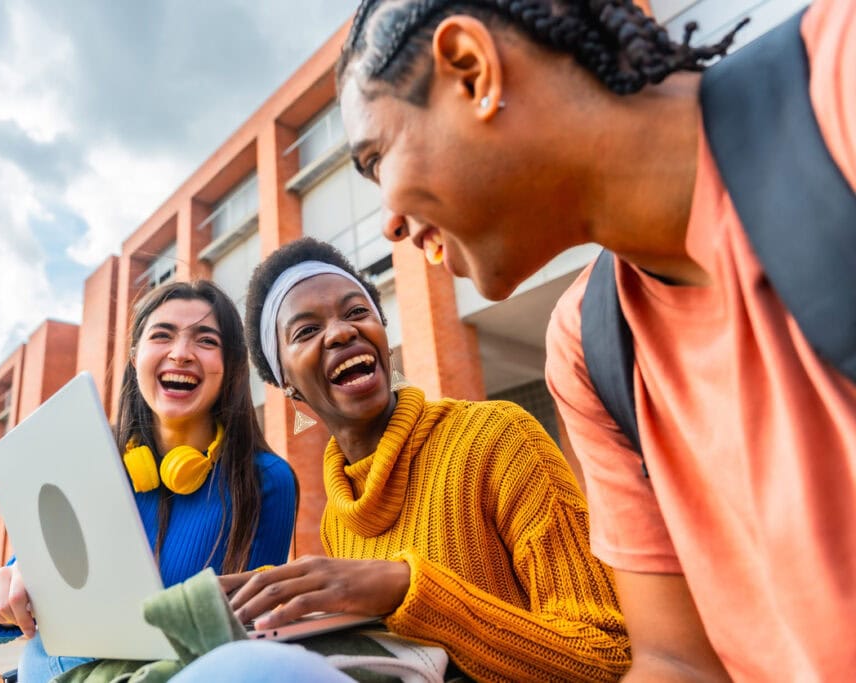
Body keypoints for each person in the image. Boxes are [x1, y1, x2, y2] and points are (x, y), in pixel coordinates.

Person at [335, 0, 856, 680]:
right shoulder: (588, 346)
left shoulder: (838, 87)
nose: (390, 225)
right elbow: (676, 661)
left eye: (378, 159)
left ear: (470, 69)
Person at [184, 237, 629, 682]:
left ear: (383, 335)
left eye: (358, 312)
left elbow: (611, 658)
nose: (341, 332)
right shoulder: (338, 523)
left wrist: (405, 590)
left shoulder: (497, 437)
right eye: (305, 331)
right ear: (287, 384)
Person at [0, 280, 297, 682]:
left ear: (229, 366)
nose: (180, 353)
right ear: (135, 356)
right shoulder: (91, 459)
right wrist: (2, 599)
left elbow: (253, 632)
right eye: (162, 335)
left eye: (205, 340)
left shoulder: (267, 480)